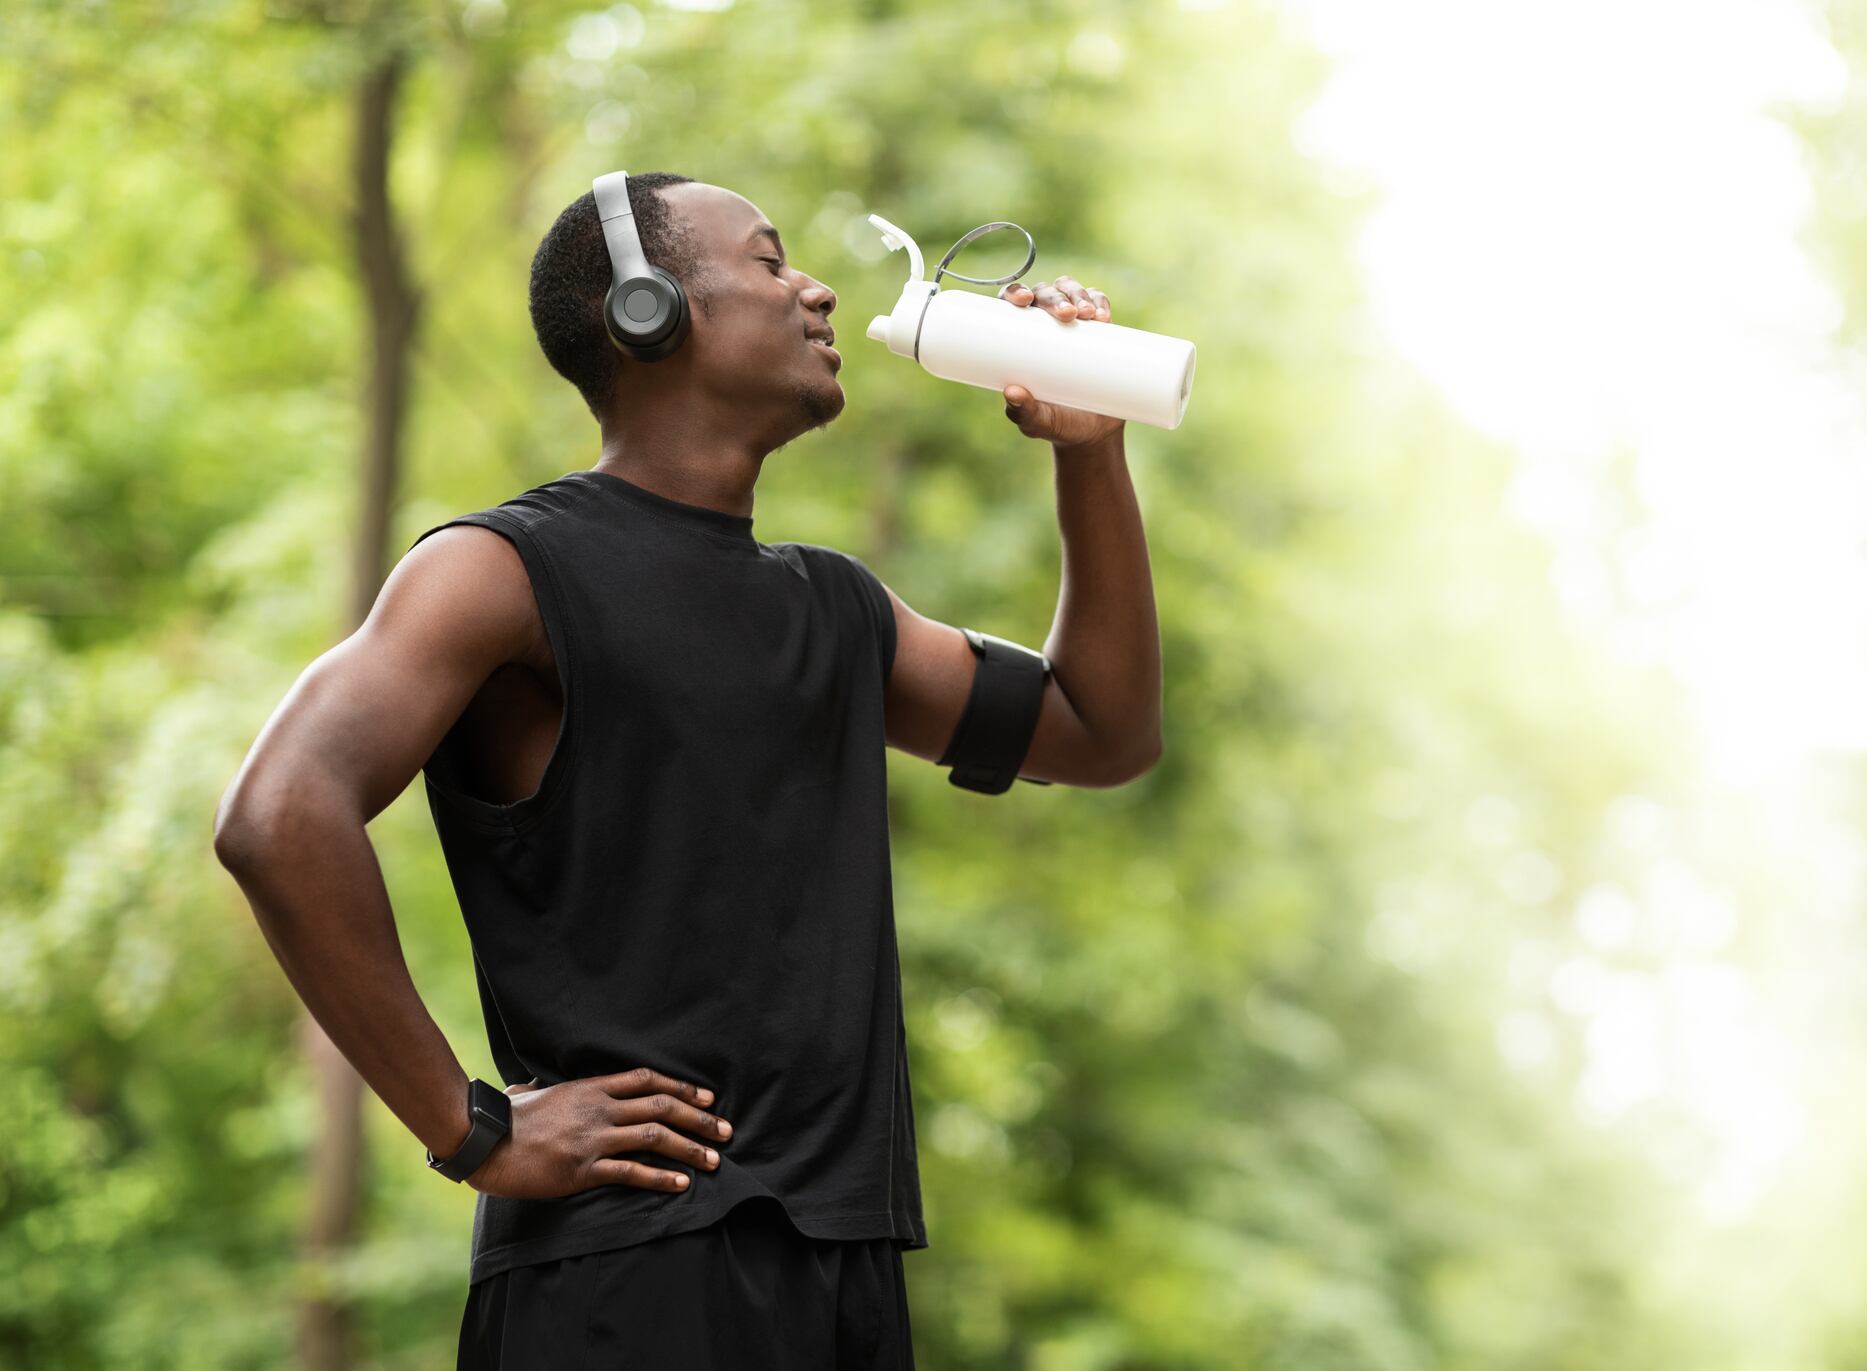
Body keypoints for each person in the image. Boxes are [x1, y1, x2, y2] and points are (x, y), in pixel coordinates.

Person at [212, 171, 1164, 1367]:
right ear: (648, 308)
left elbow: (1102, 730)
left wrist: (1091, 455)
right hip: (622, 1280)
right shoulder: (498, 573)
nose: (815, 288)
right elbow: (279, 814)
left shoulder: (840, 610)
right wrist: (471, 1129)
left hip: (847, 1274)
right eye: (769, 262)